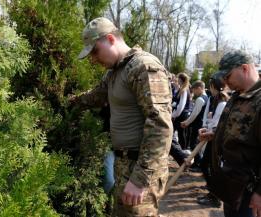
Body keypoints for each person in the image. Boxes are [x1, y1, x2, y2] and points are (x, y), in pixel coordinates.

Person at [73, 17, 173, 216]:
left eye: (95, 51)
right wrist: (67, 101)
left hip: (140, 168)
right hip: (124, 165)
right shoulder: (115, 72)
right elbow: (95, 96)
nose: (93, 59)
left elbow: (160, 126)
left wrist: (140, 179)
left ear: (110, 39)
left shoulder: (143, 66)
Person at [199, 50, 261, 217]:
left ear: (245, 68)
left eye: (228, 76)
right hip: (231, 186)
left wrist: (259, 193)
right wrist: (213, 134)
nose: (225, 81)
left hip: (250, 192)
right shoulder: (237, 96)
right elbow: (237, 130)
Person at [197, 71, 229, 208]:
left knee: (209, 166)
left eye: (210, 86)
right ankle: (213, 192)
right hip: (210, 136)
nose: (209, 88)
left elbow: (216, 124)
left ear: (213, 86)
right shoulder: (212, 99)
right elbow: (208, 117)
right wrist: (204, 127)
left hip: (216, 141)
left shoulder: (222, 103)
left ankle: (215, 196)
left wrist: (208, 130)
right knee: (205, 164)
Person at [181, 80, 208, 167]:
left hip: (198, 125)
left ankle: (197, 163)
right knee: (198, 144)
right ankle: (198, 163)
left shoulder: (200, 99)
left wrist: (186, 122)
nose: (194, 92)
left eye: (194, 90)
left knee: (194, 144)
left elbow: (194, 114)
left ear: (199, 88)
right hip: (202, 124)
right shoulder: (207, 98)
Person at [172, 73, 192, 149]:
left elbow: (181, 106)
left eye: (178, 79)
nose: (177, 80)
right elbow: (177, 103)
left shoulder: (184, 90)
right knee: (180, 134)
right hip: (181, 114)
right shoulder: (182, 89)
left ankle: (182, 150)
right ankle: (181, 149)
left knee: (181, 134)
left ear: (180, 80)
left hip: (182, 115)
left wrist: (173, 115)